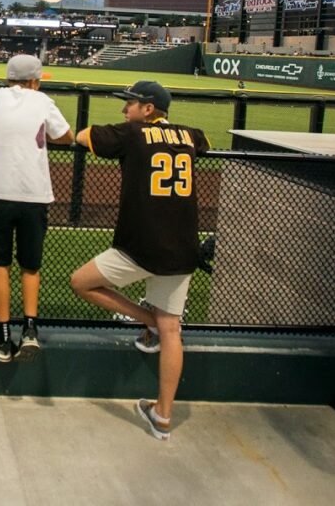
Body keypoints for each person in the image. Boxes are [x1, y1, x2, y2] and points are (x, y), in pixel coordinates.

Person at [69, 81, 210, 440]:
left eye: (130, 104)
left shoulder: (132, 133)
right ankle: (162, 416)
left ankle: (147, 320)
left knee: (81, 282)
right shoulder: (191, 135)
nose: (124, 110)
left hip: (141, 245)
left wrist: (127, 132)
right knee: (172, 330)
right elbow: (203, 142)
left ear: (148, 109)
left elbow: (84, 136)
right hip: (183, 248)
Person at [0, 54, 73, 363]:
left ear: (9, 77)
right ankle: (30, 329)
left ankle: (3, 335)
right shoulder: (43, 101)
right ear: (34, 80)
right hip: (35, 194)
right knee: (30, 265)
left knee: (0, 264)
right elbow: (66, 137)